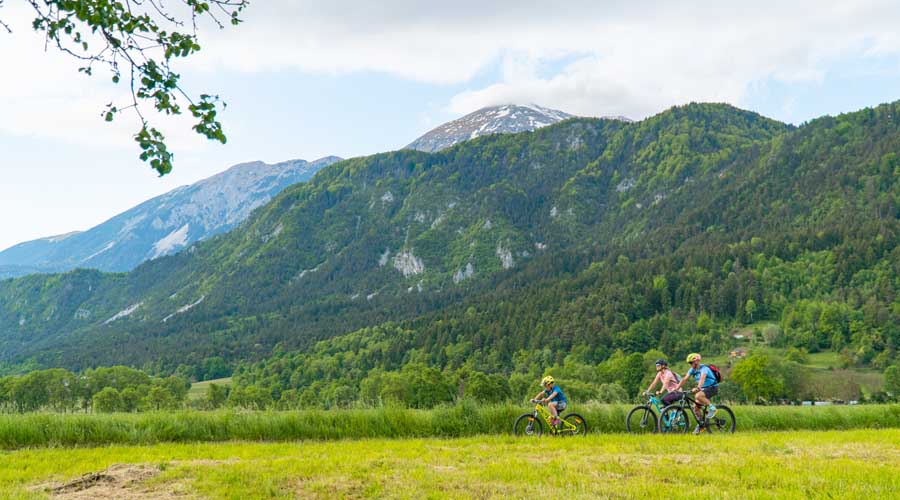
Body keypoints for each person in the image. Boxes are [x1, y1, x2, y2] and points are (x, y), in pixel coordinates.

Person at [671, 353, 718, 434]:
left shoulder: (704, 369)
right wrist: (677, 388)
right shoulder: (692, 370)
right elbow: (684, 379)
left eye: (691, 363)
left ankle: (713, 408)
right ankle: (701, 425)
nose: (690, 365)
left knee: (698, 395)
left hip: (712, 387)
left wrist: (698, 388)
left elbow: (702, 379)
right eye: (689, 363)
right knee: (695, 408)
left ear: (696, 362)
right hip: (704, 389)